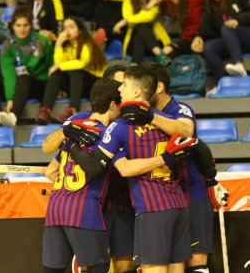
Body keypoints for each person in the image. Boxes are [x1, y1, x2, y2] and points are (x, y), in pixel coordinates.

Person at [67, 66, 193, 273]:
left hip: (152, 207)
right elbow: (188, 134)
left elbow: (115, 168)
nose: (120, 90)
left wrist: (70, 144)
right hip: (178, 204)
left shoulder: (119, 126)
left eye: (124, 84)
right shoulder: (163, 119)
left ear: (136, 92)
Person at [145, 64, 229, 272]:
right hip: (163, 200)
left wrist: (211, 180)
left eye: (146, 86)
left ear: (159, 87)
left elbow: (187, 131)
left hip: (192, 193)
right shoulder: (143, 116)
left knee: (196, 264)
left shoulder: (179, 109)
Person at [42, 78, 122, 273]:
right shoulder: (109, 134)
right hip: (84, 210)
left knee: (52, 270)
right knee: (99, 266)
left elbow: (49, 171)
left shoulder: (75, 130)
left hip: (55, 208)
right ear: (112, 105)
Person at [0, 6, 53, 128]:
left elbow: (51, 65)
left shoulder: (43, 42)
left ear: (31, 26)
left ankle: (13, 116)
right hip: (17, 85)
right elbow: (9, 74)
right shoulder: (7, 46)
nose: (22, 29)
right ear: (12, 26)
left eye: (25, 25)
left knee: (24, 77)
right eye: (18, 25)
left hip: (38, 83)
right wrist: (10, 99)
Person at [35, 16, 107, 125]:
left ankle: (72, 111)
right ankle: (45, 111)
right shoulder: (66, 46)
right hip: (76, 85)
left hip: (93, 84)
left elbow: (82, 63)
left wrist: (59, 66)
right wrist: (58, 44)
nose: (67, 31)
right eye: (65, 28)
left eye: (71, 27)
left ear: (80, 29)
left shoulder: (88, 43)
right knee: (57, 74)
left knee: (75, 71)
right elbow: (58, 64)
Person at [191, 0, 250, 91]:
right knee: (209, 47)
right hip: (232, 41)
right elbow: (206, 29)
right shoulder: (209, 6)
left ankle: (239, 64)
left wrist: (239, 20)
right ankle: (222, 84)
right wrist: (199, 37)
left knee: (226, 27)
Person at [113, 0, 172, 66]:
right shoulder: (128, 1)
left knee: (141, 26)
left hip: (155, 40)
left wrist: (124, 22)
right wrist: (148, 8)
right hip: (133, 44)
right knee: (140, 26)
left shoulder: (155, 0)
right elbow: (128, 17)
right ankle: (159, 53)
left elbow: (149, 16)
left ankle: (134, 64)